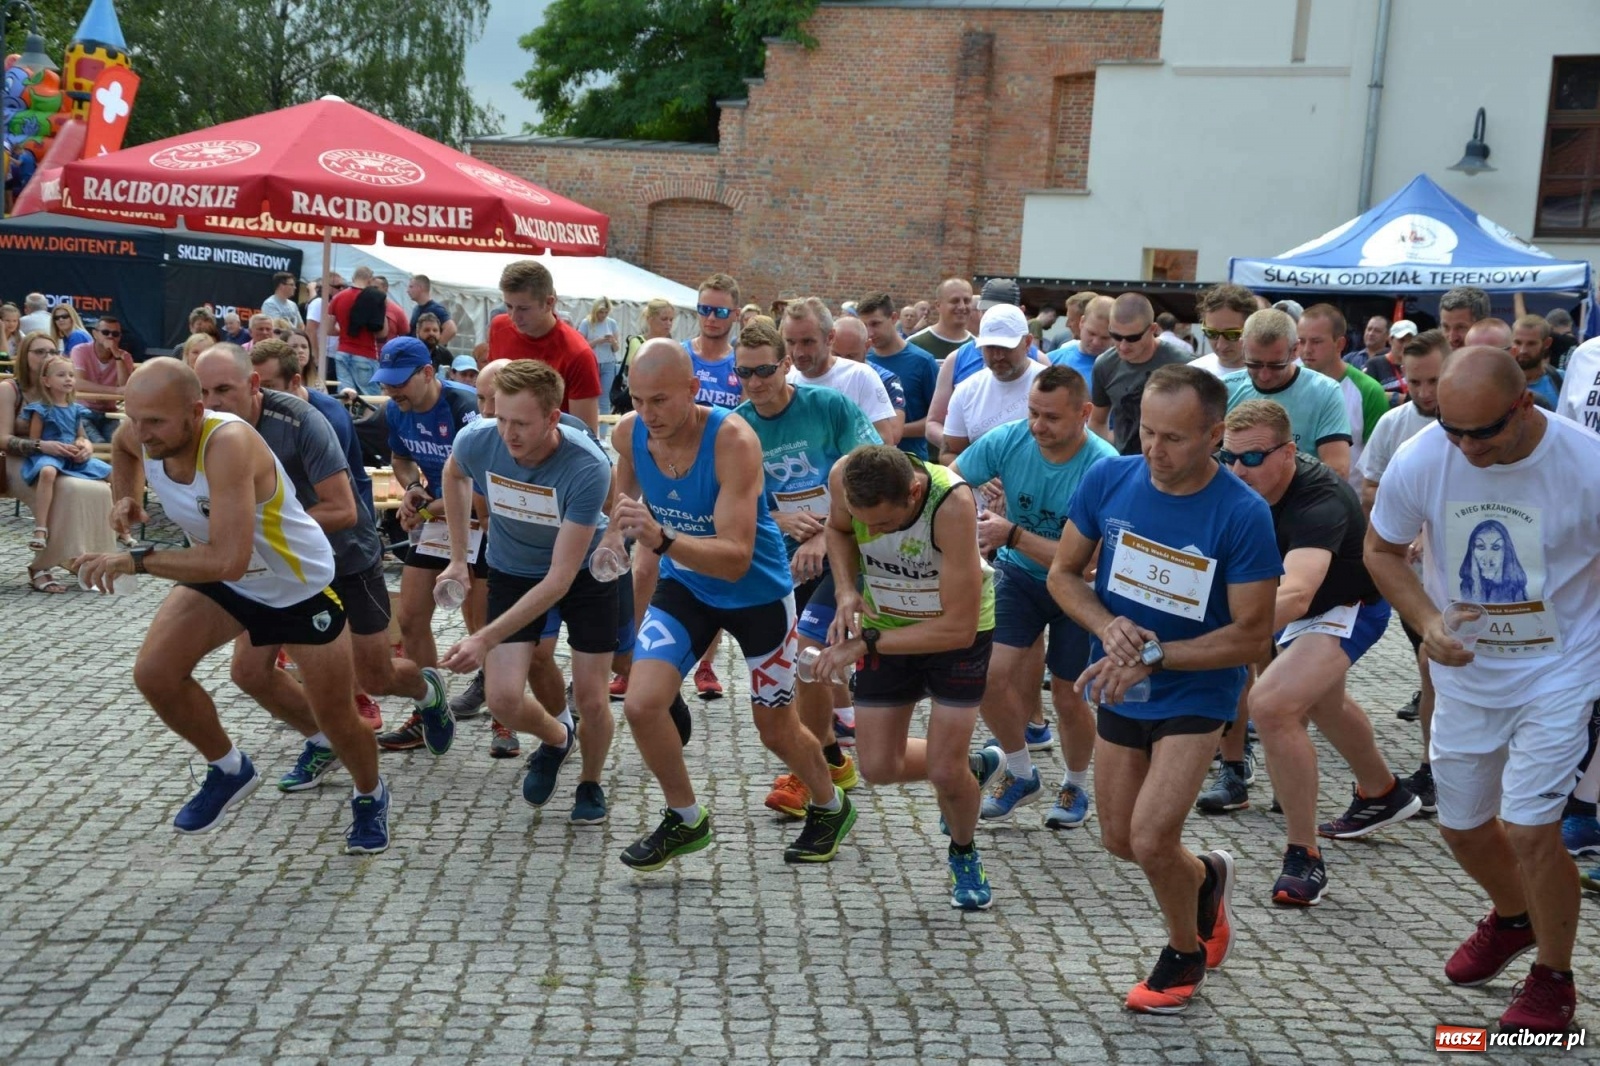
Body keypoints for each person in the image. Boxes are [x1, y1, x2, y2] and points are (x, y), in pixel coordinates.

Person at [1365, 345, 1600, 1034]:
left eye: (1483, 433)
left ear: (1525, 405)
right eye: (1452, 429)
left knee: (1530, 827)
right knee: (1462, 827)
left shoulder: (1585, 464)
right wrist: (1428, 620)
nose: (1466, 447)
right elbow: (1380, 551)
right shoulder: (1423, 457)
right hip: (1466, 670)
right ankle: (1514, 917)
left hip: (1559, 670)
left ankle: (1553, 981)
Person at [72, 359, 390, 854]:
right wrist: (126, 496)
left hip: (295, 585)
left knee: (338, 719)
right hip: (229, 582)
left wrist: (135, 560)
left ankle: (370, 793)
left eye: (155, 420)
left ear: (196, 412)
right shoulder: (142, 435)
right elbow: (123, 449)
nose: (142, 431)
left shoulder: (228, 444)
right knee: (155, 673)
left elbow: (229, 558)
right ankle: (229, 768)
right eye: (133, 416)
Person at [1047, 364, 1280, 1014]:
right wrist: (1106, 622)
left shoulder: (1242, 514)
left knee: (1151, 839)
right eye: (1146, 432)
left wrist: (1159, 653)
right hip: (1120, 682)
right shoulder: (1109, 479)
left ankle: (1184, 953)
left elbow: (1253, 637)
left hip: (1198, 693)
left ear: (1213, 436)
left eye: (1174, 438)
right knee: (1120, 840)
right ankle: (1206, 879)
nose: (1154, 449)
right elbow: (1064, 576)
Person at [597, 339, 856, 870]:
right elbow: (627, 467)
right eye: (639, 400)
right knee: (643, 704)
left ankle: (830, 806)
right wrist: (614, 530)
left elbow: (736, 557)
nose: (649, 415)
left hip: (757, 596)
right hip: (687, 587)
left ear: (694, 390)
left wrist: (661, 538)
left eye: (662, 401)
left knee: (775, 729)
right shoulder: (631, 430)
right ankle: (686, 820)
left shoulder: (733, 440)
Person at [194, 342, 450, 776]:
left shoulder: (305, 422)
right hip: (278, 566)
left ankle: (427, 691)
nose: (212, 403)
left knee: (375, 676)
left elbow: (344, 511)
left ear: (255, 386)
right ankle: (325, 738)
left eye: (222, 389)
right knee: (249, 672)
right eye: (203, 392)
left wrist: (260, 531)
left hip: (346, 555)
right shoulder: (206, 427)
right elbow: (133, 443)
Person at [1221, 400, 1420, 905]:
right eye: (1229, 457)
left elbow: (1297, 594)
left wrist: (1216, 632)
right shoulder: (1237, 478)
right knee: (1322, 703)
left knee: (1271, 704)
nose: (1238, 470)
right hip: (1302, 603)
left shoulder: (1320, 499)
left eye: (1253, 458)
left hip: (1349, 605)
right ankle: (1382, 791)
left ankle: (1304, 855)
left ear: (1289, 452)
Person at [815, 444, 998, 908]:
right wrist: (844, 588)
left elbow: (958, 628)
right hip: (888, 625)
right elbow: (837, 531)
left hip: (957, 633)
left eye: (881, 524)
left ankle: (963, 851)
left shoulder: (951, 504)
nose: (871, 535)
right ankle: (969, 769)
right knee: (877, 767)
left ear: (913, 493)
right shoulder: (845, 475)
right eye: (866, 522)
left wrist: (865, 644)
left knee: (942, 770)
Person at [437, 359, 619, 823]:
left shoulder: (587, 465)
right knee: (500, 698)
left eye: (521, 423)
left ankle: (590, 782)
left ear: (553, 418)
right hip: (512, 567)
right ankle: (559, 738)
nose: (508, 433)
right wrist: (459, 557)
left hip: (583, 574)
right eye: (500, 418)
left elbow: (560, 579)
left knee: (595, 698)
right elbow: (455, 475)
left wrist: (483, 637)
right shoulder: (478, 439)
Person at [949, 366, 1115, 828]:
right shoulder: (1009, 439)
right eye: (1032, 413)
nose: (1038, 426)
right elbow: (948, 484)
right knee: (983, 675)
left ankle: (1076, 784)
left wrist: (1012, 534)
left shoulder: (1103, 465)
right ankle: (1021, 772)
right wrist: (974, 502)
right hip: (1019, 578)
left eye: (1051, 418)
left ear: (1084, 413)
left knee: (1069, 694)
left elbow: (1081, 562)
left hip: (1079, 592)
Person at [729, 320, 879, 816]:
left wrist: (822, 530)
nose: (755, 382)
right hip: (784, 560)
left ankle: (805, 769)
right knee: (801, 659)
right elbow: (727, 506)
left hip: (847, 546)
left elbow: (878, 477)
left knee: (811, 656)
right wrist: (777, 517)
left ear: (786, 364)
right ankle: (832, 758)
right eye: (744, 373)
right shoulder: (738, 425)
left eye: (765, 370)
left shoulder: (828, 407)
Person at [371, 337, 481, 755]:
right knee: (413, 616)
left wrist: (431, 506)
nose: (391, 392)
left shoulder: (462, 406)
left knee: (483, 622)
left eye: (399, 382)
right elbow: (399, 458)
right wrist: (413, 488)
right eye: (385, 383)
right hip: (437, 519)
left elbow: (480, 475)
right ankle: (429, 708)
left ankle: (504, 715)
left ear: (428, 373)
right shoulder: (395, 411)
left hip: (483, 518)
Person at [1358, 328, 1449, 809]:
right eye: (1416, 382)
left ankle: (1438, 768)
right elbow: (1370, 488)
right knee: (1431, 667)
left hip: (1461, 577)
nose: (1426, 392)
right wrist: (1406, 523)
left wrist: (1429, 530)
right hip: (1411, 582)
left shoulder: (1475, 428)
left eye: (1435, 380)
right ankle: (1435, 769)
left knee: (1432, 667)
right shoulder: (1395, 425)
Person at [1, 332, 116, 593]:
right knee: (68, 489)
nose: (47, 357)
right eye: (39, 352)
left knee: (98, 488)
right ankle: (42, 565)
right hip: (17, 462)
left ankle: (87, 558)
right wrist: (42, 445)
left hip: (60, 460)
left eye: (52, 352)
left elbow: (80, 435)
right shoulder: (10, 389)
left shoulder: (61, 391)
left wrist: (84, 448)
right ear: (24, 356)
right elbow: (2, 438)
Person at [1223, 308, 1353, 479]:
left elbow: (1337, 471)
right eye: (1254, 364)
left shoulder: (1324, 391)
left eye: (1276, 365)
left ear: (1295, 351)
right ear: (1242, 346)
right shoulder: (1226, 389)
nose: (1264, 375)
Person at [486, 260, 602, 433]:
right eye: (509, 306)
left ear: (549, 303)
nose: (513, 316)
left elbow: (585, 434)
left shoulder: (578, 354)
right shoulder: (499, 328)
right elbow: (490, 393)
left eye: (523, 309)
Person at [19, 355, 112, 552]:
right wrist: (48, 446)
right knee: (48, 472)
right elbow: (35, 440)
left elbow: (80, 436)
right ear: (47, 381)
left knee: (112, 473)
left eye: (71, 375)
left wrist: (82, 444)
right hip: (49, 454)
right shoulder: (41, 409)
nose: (68, 379)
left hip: (71, 456)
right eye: (61, 375)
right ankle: (41, 527)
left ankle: (119, 525)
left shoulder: (76, 409)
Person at [1296, 304, 1389, 491]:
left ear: (1340, 344)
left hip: (1349, 507)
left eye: (1316, 341)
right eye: (1301, 341)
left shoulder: (1369, 391)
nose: (1306, 349)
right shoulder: (1290, 381)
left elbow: (1379, 464)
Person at [939, 304, 1046, 463]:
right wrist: (976, 475)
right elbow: (949, 454)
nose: (998, 356)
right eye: (990, 347)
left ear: (1028, 342)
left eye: (1006, 347)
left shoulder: (1051, 385)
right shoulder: (966, 390)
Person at [1089, 294, 1192, 456]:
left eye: (1133, 338)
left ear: (1152, 329)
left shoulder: (1183, 364)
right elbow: (1096, 421)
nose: (1123, 346)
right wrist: (1111, 455)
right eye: (1115, 336)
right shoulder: (1105, 364)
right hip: (1124, 463)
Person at [783, 298, 897, 444]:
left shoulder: (860, 376)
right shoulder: (785, 381)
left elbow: (884, 440)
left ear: (830, 338)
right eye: (791, 342)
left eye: (808, 342)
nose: (798, 352)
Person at [861, 291, 939, 460]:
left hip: (911, 461)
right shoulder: (861, 360)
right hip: (868, 462)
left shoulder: (923, 362)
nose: (869, 332)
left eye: (875, 324)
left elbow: (938, 418)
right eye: (864, 325)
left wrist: (890, 431)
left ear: (894, 318)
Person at [830, 316, 905, 444]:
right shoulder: (817, 374)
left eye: (851, 356)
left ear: (867, 346)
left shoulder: (886, 379)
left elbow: (893, 433)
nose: (843, 362)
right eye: (836, 355)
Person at [68, 314, 135, 443]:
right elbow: (78, 383)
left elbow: (125, 386)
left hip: (109, 413)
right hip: (82, 411)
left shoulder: (124, 357)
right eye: (105, 332)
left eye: (115, 334)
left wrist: (117, 356)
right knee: (98, 443)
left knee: (118, 444)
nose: (110, 336)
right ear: (95, 334)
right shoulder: (80, 351)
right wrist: (114, 391)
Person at [327, 266, 389, 394]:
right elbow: (382, 333)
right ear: (370, 280)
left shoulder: (338, 297)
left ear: (353, 278)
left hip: (342, 352)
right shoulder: (375, 298)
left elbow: (328, 329)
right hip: (366, 353)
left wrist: (344, 331)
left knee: (345, 396)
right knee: (371, 399)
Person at [1188, 284, 1256, 379]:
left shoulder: (1269, 377)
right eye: (1211, 333)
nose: (1221, 345)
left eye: (1232, 334)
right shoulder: (1192, 375)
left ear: (1252, 328)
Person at [1048, 294, 1114, 384]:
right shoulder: (1051, 360)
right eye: (1091, 333)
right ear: (1082, 322)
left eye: (1105, 338)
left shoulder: (1123, 368)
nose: (1096, 342)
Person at [907, 278, 974, 361]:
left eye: (967, 301)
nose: (962, 306)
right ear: (938, 305)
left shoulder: (979, 347)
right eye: (955, 301)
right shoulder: (915, 344)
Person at [1510, 314, 1563, 409]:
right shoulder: (1500, 382)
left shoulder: (1561, 379)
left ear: (1547, 343)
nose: (1522, 350)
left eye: (1531, 344)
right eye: (1518, 343)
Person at [578, 297, 620, 417]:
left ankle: (602, 432)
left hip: (608, 363)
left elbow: (617, 349)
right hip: (592, 363)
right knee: (590, 397)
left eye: (606, 312)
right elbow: (580, 345)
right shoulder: (586, 323)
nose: (603, 315)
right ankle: (589, 426)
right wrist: (597, 341)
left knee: (605, 399)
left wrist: (613, 341)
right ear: (595, 311)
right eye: (601, 312)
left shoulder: (612, 323)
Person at [1365, 319, 1414, 400]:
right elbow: (1366, 394)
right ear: (1390, 340)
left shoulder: (1419, 365)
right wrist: (1397, 398)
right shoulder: (1374, 364)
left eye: (1410, 341)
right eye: (1401, 340)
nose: (1406, 345)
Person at [406, 275, 456, 345]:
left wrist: (435, 349)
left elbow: (451, 329)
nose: (407, 291)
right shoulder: (416, 309)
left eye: (411, 287)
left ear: (420, 288)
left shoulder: (435, 309)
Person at [1439, 286, 1491, 351]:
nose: (1452, 338)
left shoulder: (1499, 360)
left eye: (1461, 327)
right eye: (1446, 327)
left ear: (1484, 327)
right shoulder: (1431, 359)